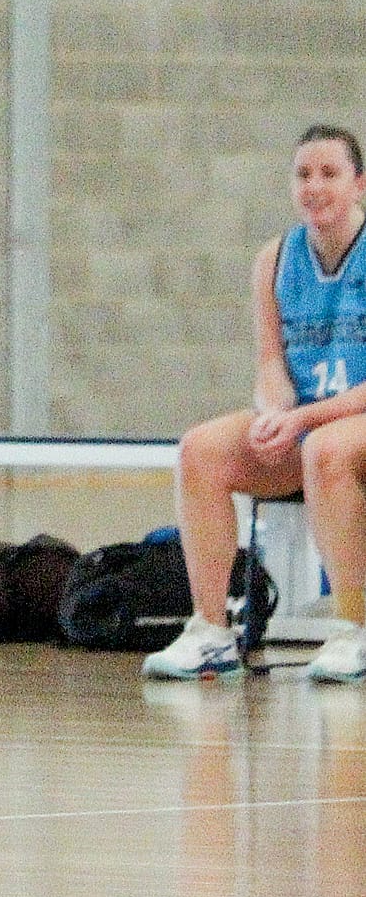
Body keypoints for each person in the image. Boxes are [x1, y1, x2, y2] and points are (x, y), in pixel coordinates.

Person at [144, 124, 366, 683]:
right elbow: (271, 361)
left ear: (359, 184)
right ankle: (212, 630)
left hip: (343, 426)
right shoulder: (274, 260)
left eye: (330, 174)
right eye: (303, 174)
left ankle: (355, 629)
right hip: (307, 423)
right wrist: (274, 410)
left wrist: (302, 419)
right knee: (202, 450)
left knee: (326, 449)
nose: (315, 186)